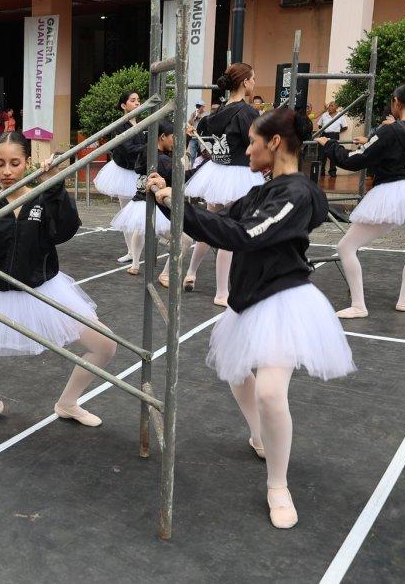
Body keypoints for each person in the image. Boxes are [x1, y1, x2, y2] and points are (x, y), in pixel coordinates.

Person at [147, 106, 354, 530]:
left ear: (274, 142)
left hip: (283, 299)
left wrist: (175, 200)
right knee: (238, 375)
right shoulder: (262, 191)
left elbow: (241, 236)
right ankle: (261, 436)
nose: (247, 148)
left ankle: (278, 484)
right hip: (248, 298)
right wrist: (169, 197)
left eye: (253, 141)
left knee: (271, 392)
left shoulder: (296, 194)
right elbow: (217, 222)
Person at [0, 131, 115, 425]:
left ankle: (68, 403)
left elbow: (65, 230)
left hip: (43, 293)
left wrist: (54, 185)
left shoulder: (43, 197)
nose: (6, 171)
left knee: (105, 345)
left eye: (15, 163)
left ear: (27, 162)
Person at [317, 82, 405, 318]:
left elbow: (353, 161)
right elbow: (400, 151)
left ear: (395, 102)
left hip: (392, 193)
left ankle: (359, 305)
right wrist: (373, 143)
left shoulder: (389, 131)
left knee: (346, 246)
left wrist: (329, 145)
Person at [184, 63, 266, 304]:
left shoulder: (218, 111)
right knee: (230, 232)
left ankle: (191, 272)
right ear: (244, 82)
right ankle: (222, 292)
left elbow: (202, 126)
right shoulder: (247, 113)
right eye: (252, 78)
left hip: (217, 172)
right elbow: (254, 144)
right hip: (238, 174)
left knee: (211, 228)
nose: (254, 82)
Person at [109, 120, 196, 281]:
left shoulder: (147, 151)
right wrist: (204, 168)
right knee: (184, 240)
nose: (175, 141)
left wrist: (187, 137)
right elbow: (181, 176)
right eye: (173, 137)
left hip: (142, 200)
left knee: (141, 230)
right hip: (154, 204)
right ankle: (165, 273)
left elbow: (177, 152)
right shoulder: (161, 159)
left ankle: (136, 263)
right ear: (162, 136)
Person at [92, 91, 147, 263]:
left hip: (138, 171)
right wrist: (148, 148)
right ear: (124, 105)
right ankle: (131, 251)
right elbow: (127, 148)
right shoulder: (119, 126)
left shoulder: (144, 123)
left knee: (140, 212)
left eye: (138, 100)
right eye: (133, 101)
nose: (137, 103)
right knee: (126, 213)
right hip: (123, 171)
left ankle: (136, 251)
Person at [315, 101, 346, 178]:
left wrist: (336, 131)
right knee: (322, 154)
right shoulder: (324, 115)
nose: (329, 107)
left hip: (334, 136)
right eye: (329, 106)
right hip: (324, 135)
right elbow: (319, 126)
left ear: (336, 107)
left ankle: (332, 171)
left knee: (334, 153)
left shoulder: (340, 115)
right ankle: (321, 171)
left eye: (332, 106)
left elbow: (345, 127)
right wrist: (325, 130)